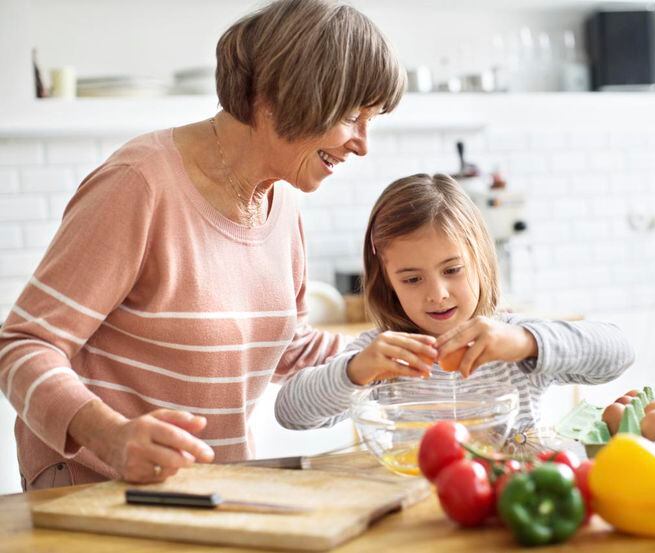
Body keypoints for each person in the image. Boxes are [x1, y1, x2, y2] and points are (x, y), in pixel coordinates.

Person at [0, 0, 406, 490]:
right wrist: (108, 435)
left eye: (372, 119)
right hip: (96, 486)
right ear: (281, 96)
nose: (363, 143)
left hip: (208, 488)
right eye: (351, 116)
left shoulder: (281, 201)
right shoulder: (141, 183)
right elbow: (24, 345)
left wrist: (393, 356)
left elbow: (286, 347)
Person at [275, 174, 635, 436]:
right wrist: (355, 371)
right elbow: (290, 412)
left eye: (452, 270)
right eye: (412, 279)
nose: (438, 294)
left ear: (480, 260)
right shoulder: (383, 353)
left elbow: (619, 352)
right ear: (388, 283)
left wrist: (527, 342)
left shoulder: (512, 342)